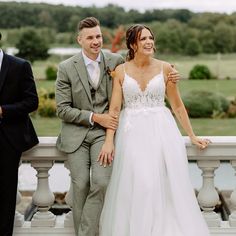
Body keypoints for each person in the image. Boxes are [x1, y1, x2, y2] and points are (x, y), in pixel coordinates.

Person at [55, 17, 180, 236]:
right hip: (76, 135)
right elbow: (62, 109)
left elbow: (142, 64)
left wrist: (172, 73)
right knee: (81, 184)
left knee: (102, 182)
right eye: (90, 37)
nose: (96, 41)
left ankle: (85, 233)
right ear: (79, 40)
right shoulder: (66, 68)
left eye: (99, 36)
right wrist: (95, 117)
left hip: (104, 135)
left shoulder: (115, 61)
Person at [98, 24, 211, 236]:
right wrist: (109, 140)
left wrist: (192, 136)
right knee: (139, 185)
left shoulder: (166, 68)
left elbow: (177, 106)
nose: (149, 42)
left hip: (161, 133)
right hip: (131, 134)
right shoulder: (121, 71)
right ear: (133, 44)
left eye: (151, 38)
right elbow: (114, 109)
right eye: (143, 39)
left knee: (161, 185)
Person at [0, 32, 39, 236]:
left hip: (7, 140)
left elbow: (32, 102)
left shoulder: (19, 65)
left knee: (6, 198)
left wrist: (3, 110)